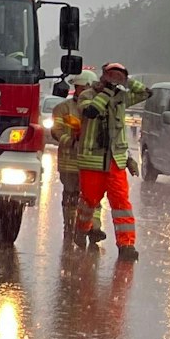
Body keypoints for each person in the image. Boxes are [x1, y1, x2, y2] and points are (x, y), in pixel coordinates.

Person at [75, 61, 150, 261]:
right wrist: (107, 91)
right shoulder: (87, 96)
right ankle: (82, 229)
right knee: (90, 200)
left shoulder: (121, 98)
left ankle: (127, 245)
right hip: (92, 159)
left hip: (115, 161)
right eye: (111, 76)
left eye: (117, 76)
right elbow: (92, 112)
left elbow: (146, 94)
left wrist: (127, 80)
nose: (113, 81)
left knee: (121, 203)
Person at [49, 70, 100, 247]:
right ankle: (70, 228)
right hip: (70, 162)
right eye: (79, 88)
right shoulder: (63, 109)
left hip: (92, 163)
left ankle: (93, 228)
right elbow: (57, 132)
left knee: (92, 197)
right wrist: (72, 142)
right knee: (71, 196)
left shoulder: (98, 108)